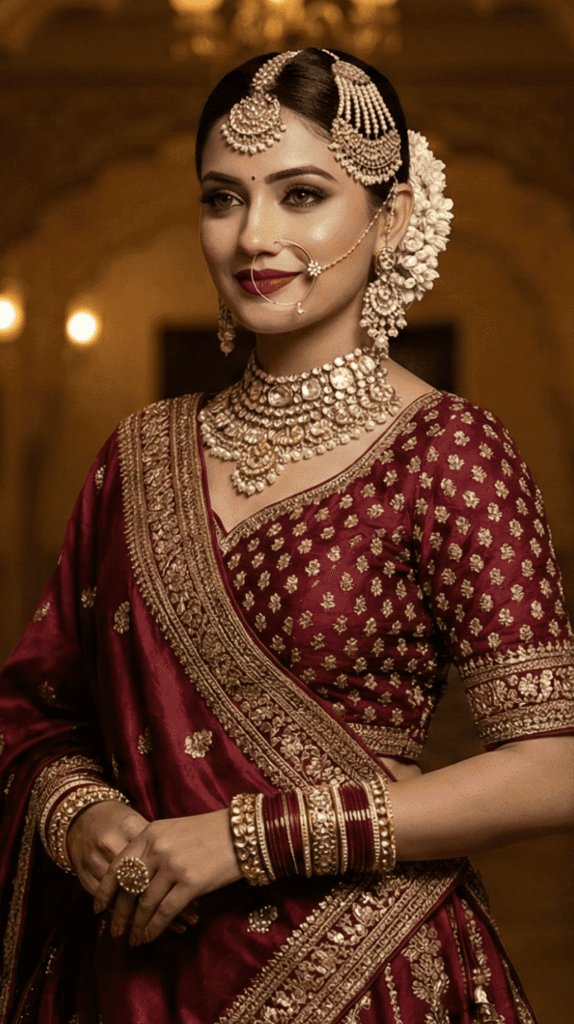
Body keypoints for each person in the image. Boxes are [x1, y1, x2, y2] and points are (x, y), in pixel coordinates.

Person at [0, 47, 573, 1024]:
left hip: (365, 975)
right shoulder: (137, 455)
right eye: (222, 198)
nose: (253, 236)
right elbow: (42, 715)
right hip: (138, 979)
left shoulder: (447, 451)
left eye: (301, 194)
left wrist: (246, 836)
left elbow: (553, 766)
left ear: (389, 218)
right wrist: (86, 820)